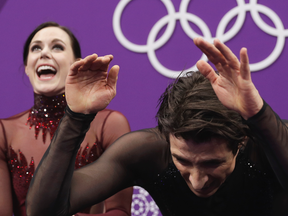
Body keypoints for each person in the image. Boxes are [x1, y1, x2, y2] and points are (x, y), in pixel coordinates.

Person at [26, 37, 288, 216]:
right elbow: (45, 210)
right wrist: (75, 117)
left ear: (241, 141)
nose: (197, 181)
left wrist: (258, 114)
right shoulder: (146, 151)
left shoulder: (270, 144)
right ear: (166, 138)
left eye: (212, 163)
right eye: (182, 161)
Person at [0, 22, 133, 216]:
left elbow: (119, 211)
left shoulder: (110, 124)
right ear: (27, 68)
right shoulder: (4, 132)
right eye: (36, 48)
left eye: (57, 47)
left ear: (76, 64)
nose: (44, 53)